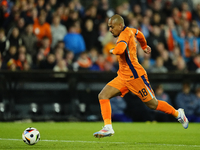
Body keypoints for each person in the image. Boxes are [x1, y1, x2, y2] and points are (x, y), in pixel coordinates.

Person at [93, 14, 189, 138]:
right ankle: (108, 127)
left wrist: (112, 50)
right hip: (123, 77)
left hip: (136, 77)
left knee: (153, 104)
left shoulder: (124, 35)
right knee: (103, 95)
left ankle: (178, 114)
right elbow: (140, 34)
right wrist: (144, 46)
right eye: (109, 27)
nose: (110, 30)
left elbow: (120, 49)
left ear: (120, 25)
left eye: (112, 27)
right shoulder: (131, 30)